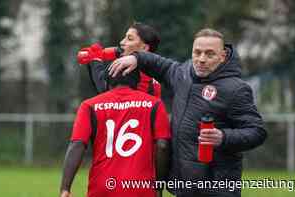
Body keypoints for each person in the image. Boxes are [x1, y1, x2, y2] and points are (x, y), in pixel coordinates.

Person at [108, 28, 267, 197]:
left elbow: (257, 131)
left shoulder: (236, 89)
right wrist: (137, 57)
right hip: (185, 186)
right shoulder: (184, 73)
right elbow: (162, 65)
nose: (201, 59)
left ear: (223, 56)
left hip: (217, 188)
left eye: (209, 54)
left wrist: (223, 137)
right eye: (197, 53)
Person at [59, 66, 171, 197]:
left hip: (102, 188)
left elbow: (77, 145)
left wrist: (65, 188)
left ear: (107, 81)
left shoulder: (89, 106)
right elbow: (163, 146)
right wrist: (158, 187)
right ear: (137, 82)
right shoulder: (155, 104)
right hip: (140, 188)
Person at [77, 22, 161, 97]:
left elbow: (103, 88)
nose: (122, 42)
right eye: (125, 37)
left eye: (130, 39)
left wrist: (95, 60)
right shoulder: (152, 68)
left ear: (144, 47)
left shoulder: (138, 72)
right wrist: (99, 55)